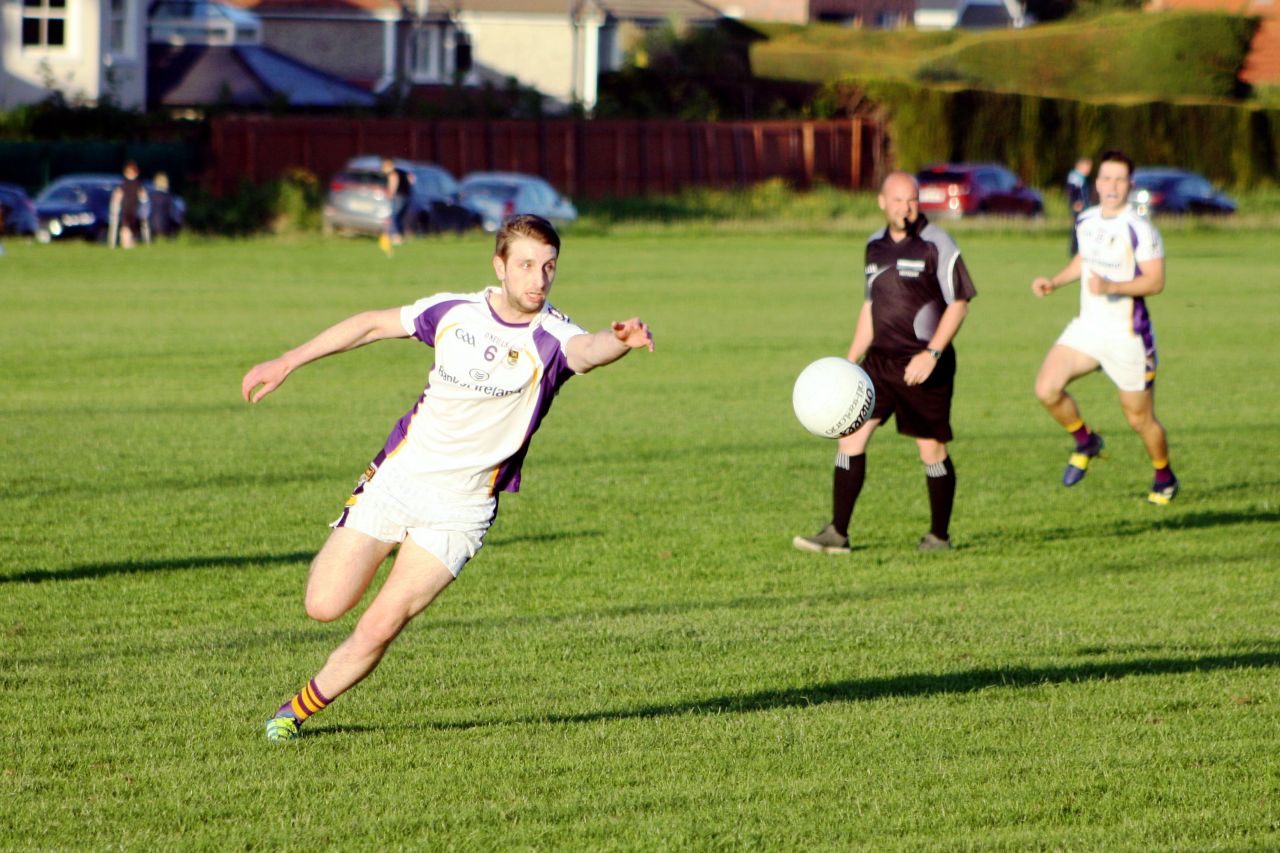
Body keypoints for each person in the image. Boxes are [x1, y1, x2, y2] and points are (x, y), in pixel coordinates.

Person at [241, 214, 654, 742]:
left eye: (548, 268)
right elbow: (370, 323)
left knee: (380, 624)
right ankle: (376, 543)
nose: (538, 279)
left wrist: (621, 339)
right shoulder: (453, 311)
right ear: (499, 266)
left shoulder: (552, 336)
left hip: (461, 509)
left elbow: (589, 350)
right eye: (526, 265)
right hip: (398, 480)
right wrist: (288, 360)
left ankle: (293, 713)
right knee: (323, 605)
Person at [794, 172, 976, 554]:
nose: (905, 208)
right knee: (851, 437)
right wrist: (848, 362)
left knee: (932, 451)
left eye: (911, 200)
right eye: (897, 200)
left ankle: (939, 537)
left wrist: (932, 354)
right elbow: (870, 307)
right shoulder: (874, 246)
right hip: (879, 365)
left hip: (925, 367)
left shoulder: (937, 243)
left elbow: (959, 303)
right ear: (882, 202)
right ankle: (837, 534)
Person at [1031, 149, 1178, 505]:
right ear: (1096, 183)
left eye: (1119, 179)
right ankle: (1086, 441)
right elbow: (1084, 260)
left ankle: (1164, 477)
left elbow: (1155, 281)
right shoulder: (1089, 219)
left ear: (1129, 184)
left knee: (1139, 420)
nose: (1112, 185)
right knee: (1047, 389)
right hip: (1088, 329)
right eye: (1106, 178)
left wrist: (1112, 287)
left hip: (1127, 337)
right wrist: (1055, 281)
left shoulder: (1140, 228)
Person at [110, 161, 148, 249]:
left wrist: (115, 205)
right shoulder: (137, 184)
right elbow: (143, 197)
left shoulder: (124, 183)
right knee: (129, 227)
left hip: (128, 208)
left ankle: (127, 243)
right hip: (132, 208)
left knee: (126, 227)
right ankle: (128, 243)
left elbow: (117, 196)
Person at [380, 157, 414, 251]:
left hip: (398, 196)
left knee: (393, 216)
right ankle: (403, 236)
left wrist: (390, 194)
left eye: (383, 168)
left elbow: (393, 183)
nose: (382, 170)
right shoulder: (403, 171)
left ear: (388, 166)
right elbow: (411, 181)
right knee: (401, 217)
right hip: (406, 195)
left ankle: (395, 237)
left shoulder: (393, 173)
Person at [1065, 157, 1092, 256]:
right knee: (1078, 227)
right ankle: (1075, 249)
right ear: (1081, 166)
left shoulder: (1080, 177)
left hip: (1083, 207)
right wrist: (1075, 202)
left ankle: (1080, 248)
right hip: (1078, 207)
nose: (1089, 169)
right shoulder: (1075, 177)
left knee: (1082, 227)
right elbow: (1072, 191)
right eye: (1087, 167)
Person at [148, 172, 176, 240]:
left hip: (152, 225)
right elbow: (172, 213)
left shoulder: (151, 195)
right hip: (165, 225)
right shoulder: (167, 197)